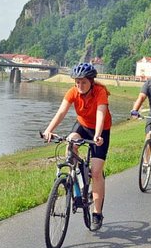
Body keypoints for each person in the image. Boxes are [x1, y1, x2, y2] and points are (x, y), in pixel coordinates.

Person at [42, 63, 111, 231]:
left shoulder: (100, 92)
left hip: (100, 131)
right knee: (70, 144)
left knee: (96, 172)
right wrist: (49, 131)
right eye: (77, 82)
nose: (80, 86)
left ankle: (97, 213)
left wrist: (98, 135)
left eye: (83, 82)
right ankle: (76, 186)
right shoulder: (73, 92)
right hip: (82, 126)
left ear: (91, 82)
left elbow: (101, 113)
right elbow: (61, 113)